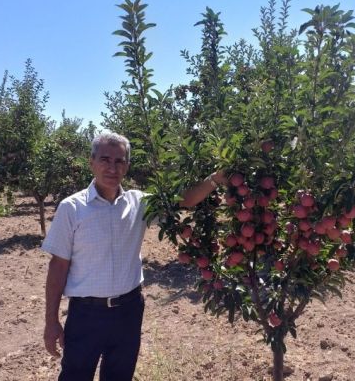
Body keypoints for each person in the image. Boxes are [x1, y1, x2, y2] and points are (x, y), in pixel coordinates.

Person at [42, 130, 225, 381]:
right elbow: (58, 267)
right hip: (86, 315)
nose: (112, 167)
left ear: (127, 166)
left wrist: (215, 179)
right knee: (75, 376)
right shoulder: (72, 208)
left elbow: (185, 200)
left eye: (119, 161)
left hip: (127, 311)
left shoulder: (139, 203)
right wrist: (51, 321)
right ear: (92, 162)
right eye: (105, 159)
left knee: (120, 376)